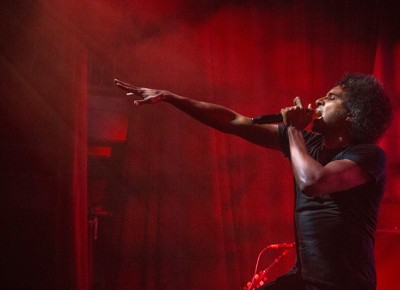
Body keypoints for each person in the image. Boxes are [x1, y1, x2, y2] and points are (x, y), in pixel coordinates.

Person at [115, 73, 392, 290]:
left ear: (352, 115)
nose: (318, 100)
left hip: (345, 285)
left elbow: (313, 181)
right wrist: (171, 97)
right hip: (305, 280)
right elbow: (234, 121)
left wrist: (294, 129)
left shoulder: (368, 156)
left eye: (331, 98)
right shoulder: (307, 142)